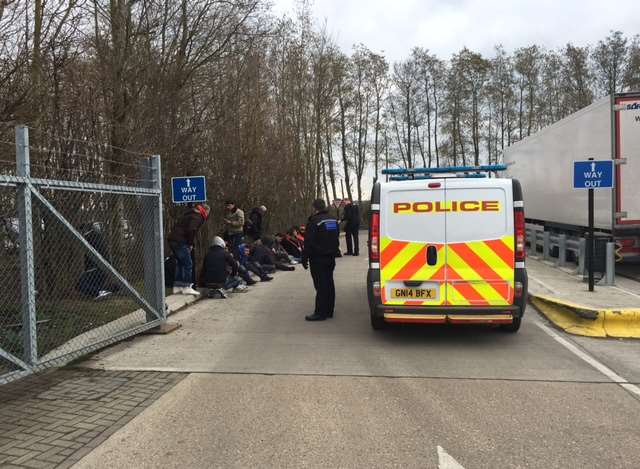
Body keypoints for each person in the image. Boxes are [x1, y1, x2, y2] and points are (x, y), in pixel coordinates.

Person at [302, 199, 339, 321]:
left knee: (320, 285)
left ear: (314, 208)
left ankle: (320, 312)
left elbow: (309, 241)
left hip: (318, 257)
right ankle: (329, 310)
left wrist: (304, 257)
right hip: (330, 257)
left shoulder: (314, 221)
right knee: (329, 283)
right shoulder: (332, 219)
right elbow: (335, 236)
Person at [167, 203, 210, 295]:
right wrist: (190, 243)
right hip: (180, 241)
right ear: (205, 211)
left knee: (180, 263)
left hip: (173, 239)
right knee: (188, 264)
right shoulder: (197, 217)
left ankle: (178, 287)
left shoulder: (189, 214)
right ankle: (186, 287)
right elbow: (192, 229)